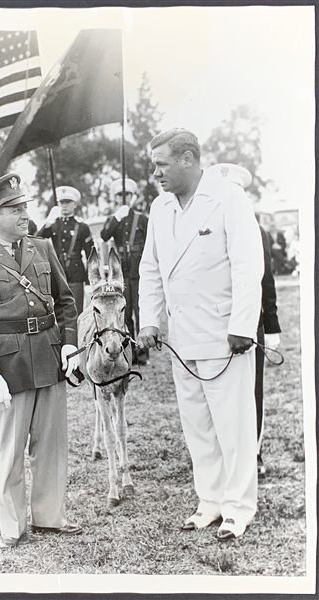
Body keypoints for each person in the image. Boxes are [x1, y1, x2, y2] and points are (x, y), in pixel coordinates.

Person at [138, 129, 264, 541]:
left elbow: (248, 266)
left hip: (225, 335)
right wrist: (150, 321)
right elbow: (151, 268)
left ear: (188, 159)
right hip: (181, 337)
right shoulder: (160, 208)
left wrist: (242, 326)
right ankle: (209, 503)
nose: (155, 173)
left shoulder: (228, 198)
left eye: (162, 164)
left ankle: (238, 508)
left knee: (234, 426)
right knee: (197, 427)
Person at [0, 172, 82, 549]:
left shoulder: (42, 248)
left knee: (52, 443)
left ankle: (50, 515)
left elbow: (66, 301)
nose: (24, 214)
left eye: (25, 207)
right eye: (14, 209)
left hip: (48, 356)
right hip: (7, 366)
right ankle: (12, 525)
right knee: (10, 449)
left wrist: (69, 344)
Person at [207, 164, 282, 479]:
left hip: (251, 323)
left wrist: (273, 325)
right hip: (214, 323)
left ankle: (253, 453)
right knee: (218, 389)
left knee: (252, 390)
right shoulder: (205, 230)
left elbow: (266, 281)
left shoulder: (256, 229)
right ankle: (224, 454)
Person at [100, 177, 149, 365]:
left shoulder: (142, 219)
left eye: (127, 194)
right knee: (125, 313)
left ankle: (143, 353)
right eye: (120, 195)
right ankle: (129, 351)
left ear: (133, 196)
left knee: (141, 310)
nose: (124, 198)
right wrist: (117, 217)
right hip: (122, 272)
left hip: (139, 270)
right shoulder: (113, 219)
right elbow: (104, 236)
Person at [38, 186, 94, 314]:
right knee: (59, 310)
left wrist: (90, 280)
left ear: (75, 204)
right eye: (62, 202)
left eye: (68, 202)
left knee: (76, 310)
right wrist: (47, 223)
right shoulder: (54, 224)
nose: (64, 206)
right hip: (58, 271)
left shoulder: (82, 227)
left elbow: (91, 255)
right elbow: (38, 241)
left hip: (75, 273)